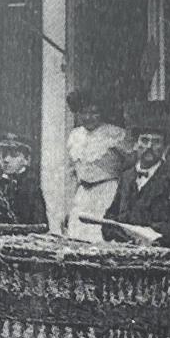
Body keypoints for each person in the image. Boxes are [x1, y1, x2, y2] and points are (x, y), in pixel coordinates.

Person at [105, 100, 170, 248]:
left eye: (156, 142)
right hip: (130, 255)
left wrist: (157, 232)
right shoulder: (127, 177)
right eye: (144, 140)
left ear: (165, 147)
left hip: (164, 256)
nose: (149, 147)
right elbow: (110, 219)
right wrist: (117, 231)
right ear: (136, 145)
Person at [64, 89, 131, 242]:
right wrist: (68, 205)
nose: (88, 117)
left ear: (102, 113)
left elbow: (131, 164)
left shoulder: (115, 134)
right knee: (77, 236)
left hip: (107, 193)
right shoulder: (75, 135)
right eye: (83, 112)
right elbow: (72, 172)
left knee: (99, 235)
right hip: (82, 194)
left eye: (94, 112)